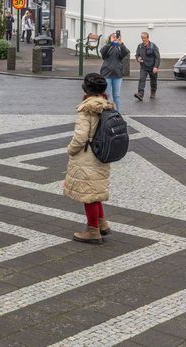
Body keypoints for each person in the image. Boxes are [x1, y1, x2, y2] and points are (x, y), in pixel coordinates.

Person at [63, 73, 114, 245]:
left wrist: (70, 150)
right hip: (102, 154)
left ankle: (93, 231)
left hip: (88, 157)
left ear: (86, 89)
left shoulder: (87, 109)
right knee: (95, 191)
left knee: (88, 194)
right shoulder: (106, 106)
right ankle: (102, 223)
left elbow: (80, 137)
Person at [100, 32, 130, 112]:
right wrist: (110, 42)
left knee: (116, 95)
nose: (115, 39)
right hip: (107, 74)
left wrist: (121, 43)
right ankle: (108, 113)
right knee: (107, 95)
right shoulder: (107, 47)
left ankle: (118, 113)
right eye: (113, 37)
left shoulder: (120, 47)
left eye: (116, 37)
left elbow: (126, 52)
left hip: (117, 74)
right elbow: (102, 52)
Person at [134, 32, 160, 101]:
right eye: (142, 38)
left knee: (153, 81)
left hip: (152, 67)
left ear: (148, 38)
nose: (143, 40)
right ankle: (140, 94)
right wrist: (138, 58)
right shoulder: (139, 46)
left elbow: (157, 57)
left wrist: (156, 67)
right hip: (144, 67)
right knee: (141, 80)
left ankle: (153, 92)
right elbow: (137, 55)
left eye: (144, 38)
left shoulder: (153, 46)